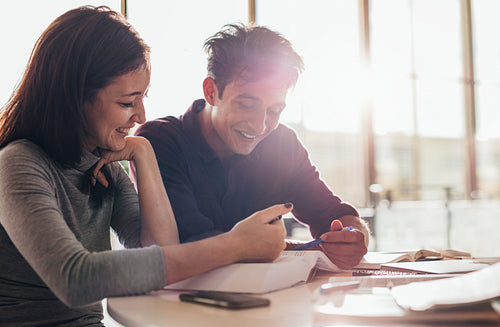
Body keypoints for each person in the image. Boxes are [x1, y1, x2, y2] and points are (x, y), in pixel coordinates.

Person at [0, 7, 290, 327]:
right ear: (74, 97)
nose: (140, 116)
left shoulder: (106, 168)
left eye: (142, 99)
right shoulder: (17, 163)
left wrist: (144, 152)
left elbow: (161, 254)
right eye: (127, 102)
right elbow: (75, 279)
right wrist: (235, 244)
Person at [133, 23, 370, 270]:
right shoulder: (160, 142)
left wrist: (354, 235)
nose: (260, 126)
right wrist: (275, 246)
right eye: (247, 105)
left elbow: (332, 212)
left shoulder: (282, 143)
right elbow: (184, 244)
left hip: (268, 303)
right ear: (211, 91)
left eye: (274, 110)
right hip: (172, 304)